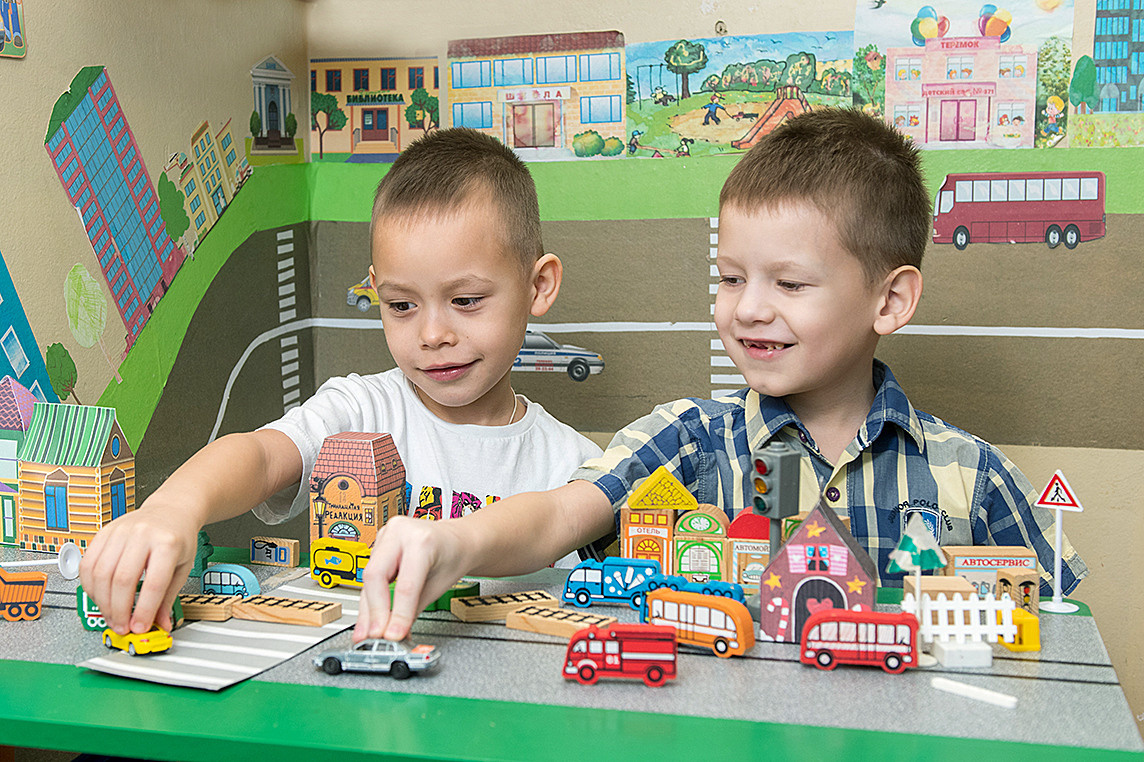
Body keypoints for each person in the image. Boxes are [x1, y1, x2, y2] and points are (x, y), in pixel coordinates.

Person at [358, 108, 1087, 644]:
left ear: (889, 299)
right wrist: (455, 542)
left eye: (790, 285)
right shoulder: (687, 440)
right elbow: (555, 516)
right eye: (732, 278)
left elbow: (1060, 639)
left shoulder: (973, 476)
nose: (748, 311)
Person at [79, 128, 601, 636]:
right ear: (374, 289)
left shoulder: (576, 464)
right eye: (400, 305)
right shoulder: (361, 409)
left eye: (465, 301)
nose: (433, 334)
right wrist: (173, 508)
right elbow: (260, 456)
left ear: (538, 285)